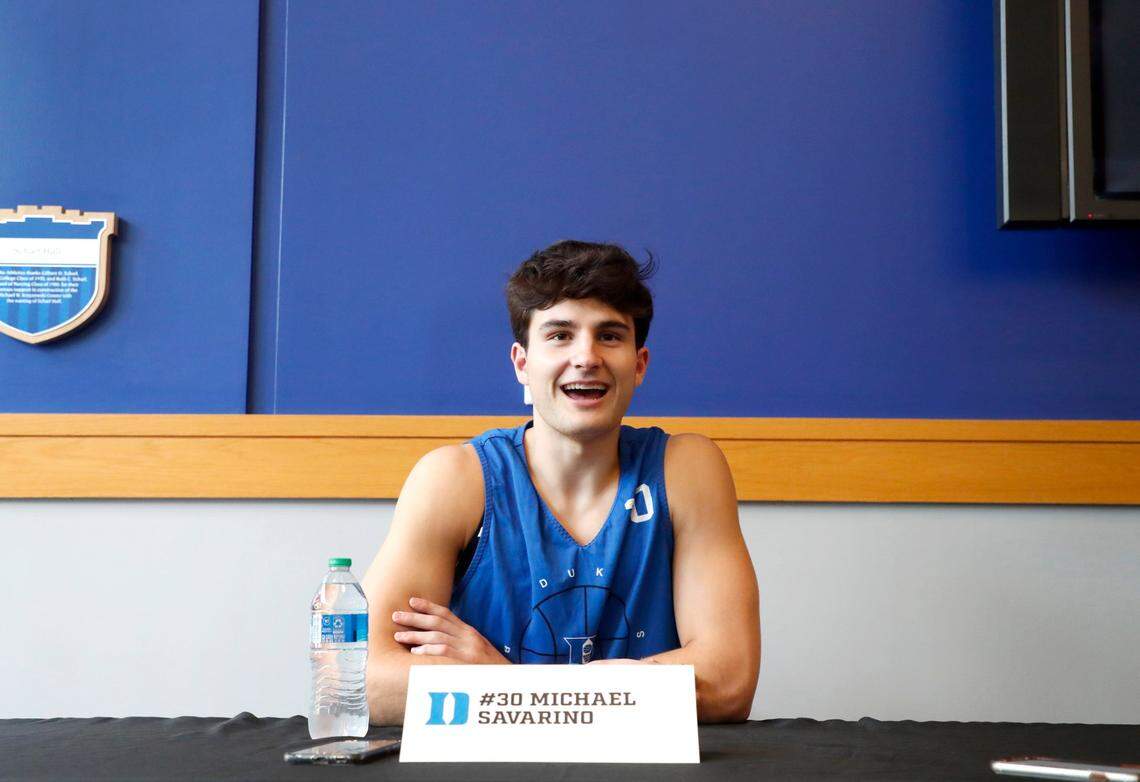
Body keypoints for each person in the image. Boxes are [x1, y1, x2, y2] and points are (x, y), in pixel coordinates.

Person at [361, 240, 760, 725]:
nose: (586, 356)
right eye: (560, 335)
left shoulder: (687, 468)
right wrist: (617, 690)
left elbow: (729, 683)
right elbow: (368, 683)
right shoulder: (455, 478)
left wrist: (504, 679)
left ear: (639, 365)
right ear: (522, 364)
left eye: (610, 335)